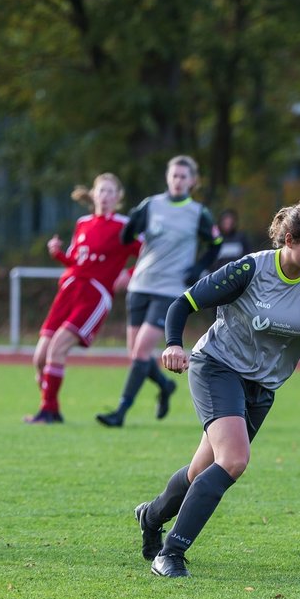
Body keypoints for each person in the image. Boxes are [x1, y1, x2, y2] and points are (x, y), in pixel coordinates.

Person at [134, 199, 300, 578]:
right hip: (217, 367)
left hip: (263, 386)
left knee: (202, 469)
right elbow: (181, 305)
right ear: (290, 239)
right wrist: (173, 344)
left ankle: (151, 516)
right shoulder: (251, 268)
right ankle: (170, 554)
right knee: (234, 460)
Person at [97, 155, 221, 427]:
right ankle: (165, 385)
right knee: (136, 354)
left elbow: (215, 243)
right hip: (140, 284)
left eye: (183, 177)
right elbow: (127, 238)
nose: (177, 181)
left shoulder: (198, 212)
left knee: (141, 352)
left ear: (192, 181)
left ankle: (120, 412)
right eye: (173, 175)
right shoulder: (151, 205)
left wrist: (198, 267)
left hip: (169, 290)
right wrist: (129, 227)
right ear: (167, 178)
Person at [24, 174, 142, 424]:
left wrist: (129, 273)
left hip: (94, 294)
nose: (106, 196)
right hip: (69, 290)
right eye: (102, 191)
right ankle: (50, 408)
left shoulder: (124, 226)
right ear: (94, 194)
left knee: (57, 348)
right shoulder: (83, 223)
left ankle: (49, 411)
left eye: (112, 192)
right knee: (40, 358)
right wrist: (57, 253)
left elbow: (148, 253)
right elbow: (75, 260)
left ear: (118, 197)